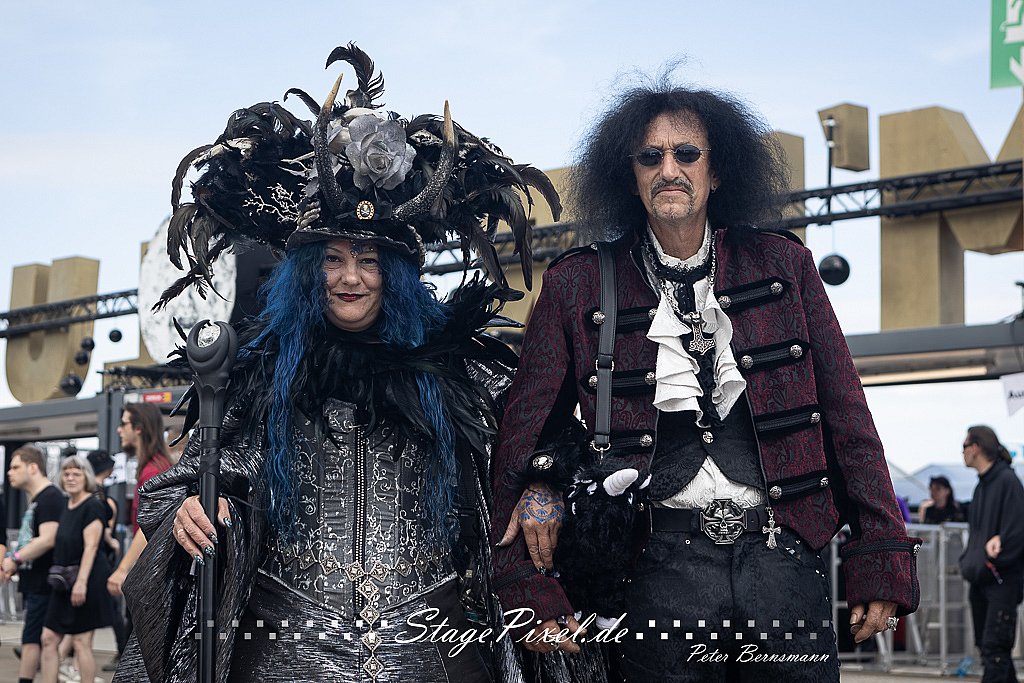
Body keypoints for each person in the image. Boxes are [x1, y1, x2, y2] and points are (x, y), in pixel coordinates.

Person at [112, 43, 559, 682]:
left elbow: (539, 440)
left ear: (395, 275)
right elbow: (191, 480)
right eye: (332, 259)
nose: (351, 277)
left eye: (369, 261)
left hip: (432, 658)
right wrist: (189, 506)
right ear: (306, 272)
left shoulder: (461, 375)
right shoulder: (261, 376)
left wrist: (544, 486)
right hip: (283, 657)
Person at [490, 82, 922, 682]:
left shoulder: (786, 264)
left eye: (687, 153)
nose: (669, 170)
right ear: (630, 176)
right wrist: (526, 573)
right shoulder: (576, 283)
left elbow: (848, 416)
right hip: (653, 573)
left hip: (784, 566)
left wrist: (879, 552)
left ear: (717, 171)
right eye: (650, 156)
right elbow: (524, 434)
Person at [39, 456, 114, 683]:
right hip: (64, 581)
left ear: (86, 477)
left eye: (76, 474)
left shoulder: (93, 505)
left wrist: (81, 583)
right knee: (48, 638)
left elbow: (91, 547)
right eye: (67, 474)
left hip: (86, 579)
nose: (70, 478)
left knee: (81, 642)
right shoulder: (65, 505)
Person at [959, 425, 1024, 683]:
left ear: (976, 448)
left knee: (995, 649)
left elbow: (1018, 530)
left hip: (1001, 579)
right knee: (991, 651)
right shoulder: (982, 486)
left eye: (964, 446)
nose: (962, 452)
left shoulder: (1007, 481)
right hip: (981, 578)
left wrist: (1000, 544)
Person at [1, 445, 64, 683]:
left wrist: (15, 559)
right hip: (36, 581)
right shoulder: (40, 499)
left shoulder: (50, 498)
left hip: (44, 583)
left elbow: (48, 539)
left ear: (33, 467)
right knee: (34, 639)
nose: (10, 473)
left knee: (35, 639)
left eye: (15, 467)